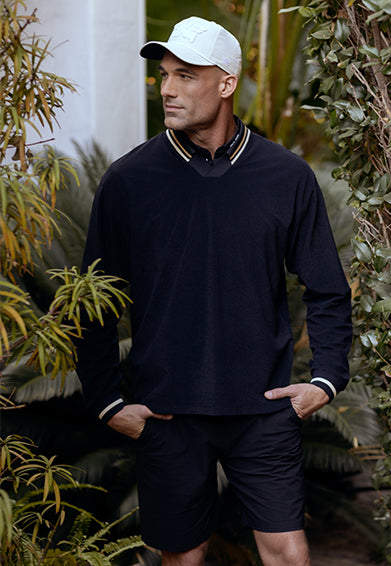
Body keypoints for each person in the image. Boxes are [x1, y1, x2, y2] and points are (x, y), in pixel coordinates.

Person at [76, 16, 352, 566]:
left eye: (185, 76)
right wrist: (107, 401)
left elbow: (326, 287)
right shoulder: (129, 181)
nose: (168, 89)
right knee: (182, 558)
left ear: (226, 84)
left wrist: (325, 380)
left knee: (290, 555)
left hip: (264, 410)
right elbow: (93, 297)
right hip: (167, 414)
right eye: (164, 75)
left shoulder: (285, 176)